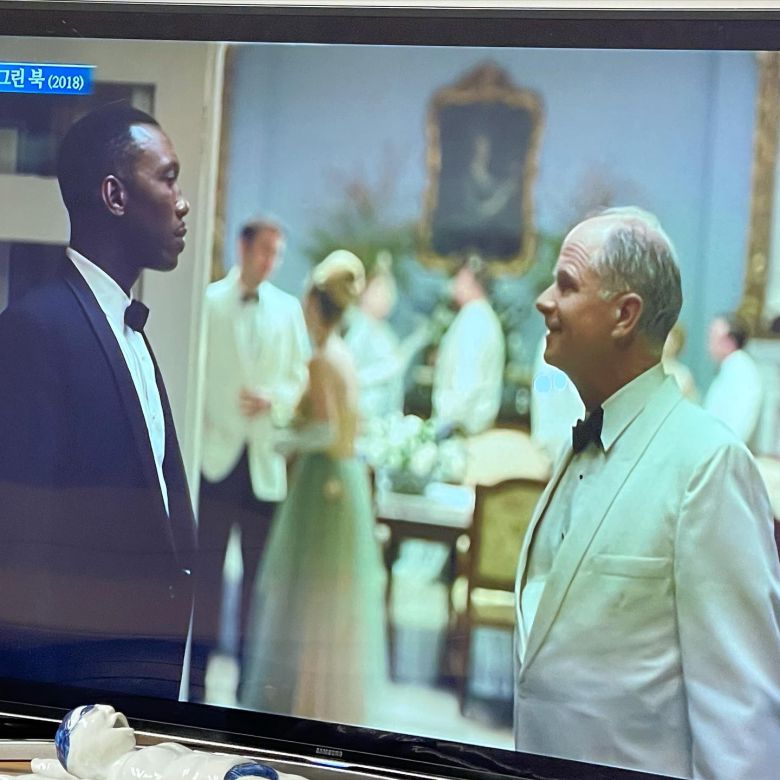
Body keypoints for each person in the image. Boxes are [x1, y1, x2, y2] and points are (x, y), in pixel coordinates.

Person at [514, 207, 780, 777]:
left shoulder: (708, 464)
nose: (544, 301)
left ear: (624, 315)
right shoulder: (578, 444)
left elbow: (742, 720)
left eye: (566, 284)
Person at [0, 103, 196, 699]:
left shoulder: (127, 326)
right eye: (167, 179)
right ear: (115, 196)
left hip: (142, 678)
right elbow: (21, 545)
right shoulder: (34, 329)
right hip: (75, 692)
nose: (183, 202)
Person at [241, 250, 387, 726]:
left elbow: (326, 431)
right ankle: (314, 700)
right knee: (322, 598)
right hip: (337, 481)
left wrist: (283, 441)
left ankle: (309, 703)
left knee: (312, 596)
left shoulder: (325, 359)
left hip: (324, 483)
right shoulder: (339, 354)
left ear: (311, 303)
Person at [191, 218, 309, 701]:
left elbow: (299, 377)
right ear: (242, 247)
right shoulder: (208, 301)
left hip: (262, 464)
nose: (270, 261)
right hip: (215, 457)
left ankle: (248, 684)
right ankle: (197, 682)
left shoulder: (288, 309)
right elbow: (194, 371)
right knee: (206, 576)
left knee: (258, 581)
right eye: (264, 250)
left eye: (277, 254)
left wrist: (274, 399)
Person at [6, 703, 302, 780]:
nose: (108, 709)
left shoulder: (129, 762)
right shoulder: (130, 771)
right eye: (89, 713)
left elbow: (62, 768)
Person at [431, 255, 505, 435]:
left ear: (469, 278)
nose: (453, 284)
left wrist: (446, 425)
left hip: (462, 429)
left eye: (458, 278)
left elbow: (466, 380)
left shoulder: (475, 319)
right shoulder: (478, 316)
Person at [703, 312, 762, 445]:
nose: (709, 343)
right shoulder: (731, 367)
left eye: (713, 336)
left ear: (730, 341)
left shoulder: (742, 371)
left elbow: (740, 421)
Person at [661, 320, 699, 401]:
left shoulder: (683, 374)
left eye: (674, 339)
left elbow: (691, 401)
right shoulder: (649, 368)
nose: (668, 341)